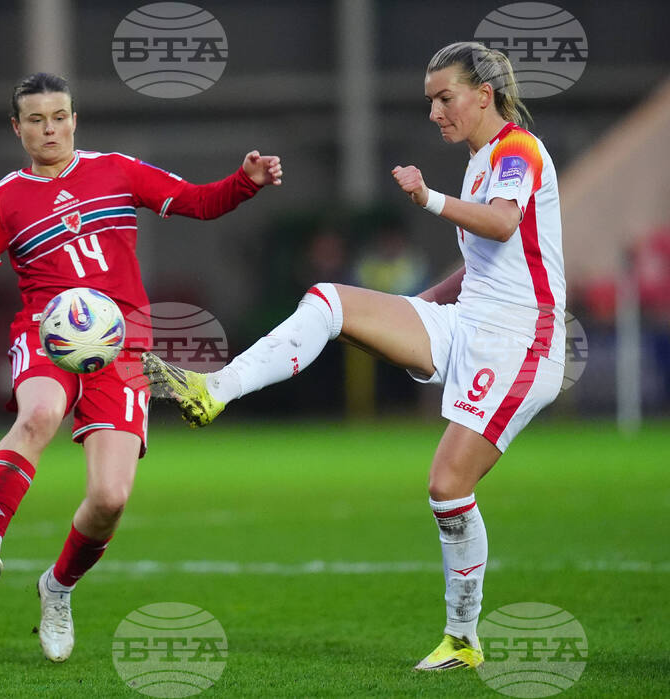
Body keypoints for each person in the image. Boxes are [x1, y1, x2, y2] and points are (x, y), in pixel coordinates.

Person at [145, 41, 565, 671]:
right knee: (330, 300)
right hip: (468, 323)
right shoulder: (481, 158)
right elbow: (488, 261)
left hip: (521, 341)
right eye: (430, 101)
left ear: (484, 95)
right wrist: (417, 306)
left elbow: (503, 225)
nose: (434, 113)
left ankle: (462, 639)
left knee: (447, 487)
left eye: (444, 99)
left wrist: (427, 200)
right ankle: (214, 390)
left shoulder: (516, 150)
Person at [0, 73, 282, 662]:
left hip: (123, 344)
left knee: (109, 499)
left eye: (59, 116)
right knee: (41, 411)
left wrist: (245, 183)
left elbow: (199, 202)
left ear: (74, 118)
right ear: (16, 127)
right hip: (45, 333)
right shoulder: (3, 198)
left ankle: (57, 588)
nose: (50, 129)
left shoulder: (117, 170)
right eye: (36, 120)